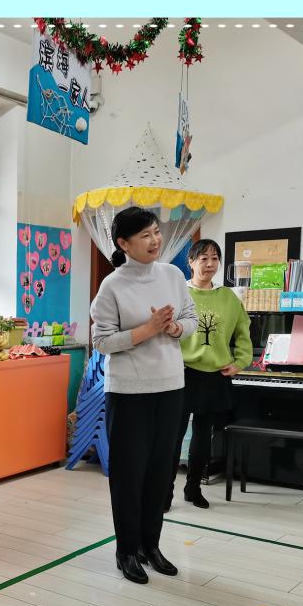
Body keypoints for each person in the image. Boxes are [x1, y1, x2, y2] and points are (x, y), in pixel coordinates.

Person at [90, 207, 197, 584]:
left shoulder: (173, 275)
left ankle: (151, 546)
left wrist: (175, 328)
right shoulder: (112, 285)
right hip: (129, 393)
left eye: (156, 232)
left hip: (171, 387)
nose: (155, 240)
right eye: (145, 235)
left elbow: (191, 319)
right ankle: (126, 551)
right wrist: (148, 329)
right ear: (124, 243)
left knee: (160, 473)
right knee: (128, 475)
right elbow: (102, 342)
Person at [169, 239, 252, 510]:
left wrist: (240, 361)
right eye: (203, 258)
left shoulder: (228, 297)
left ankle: (193, 488)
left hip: (214, 374)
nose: (209, 264)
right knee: (173, 436)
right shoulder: (178, 293)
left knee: (203, 437)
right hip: (181, 373)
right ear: (191, 262)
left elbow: (243, 332)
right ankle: (164, 492)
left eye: (215, 258)